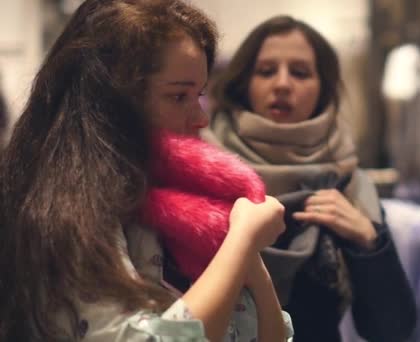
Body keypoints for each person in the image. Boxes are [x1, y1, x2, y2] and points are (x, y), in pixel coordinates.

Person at [0, 1, 292, 341]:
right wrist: (241, 241)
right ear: (111, 100)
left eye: (198, 95)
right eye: (178, 96)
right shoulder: (72, 211)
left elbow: (270, 335)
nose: (201, 118)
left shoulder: (187, 199)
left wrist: (247, 253)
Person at [205, 15, 417, 342]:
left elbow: (392, 330)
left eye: (300, 73)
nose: (282, 84)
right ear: (244, 82)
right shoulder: (203, 170)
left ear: (323, 89)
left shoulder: (348, 184)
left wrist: (368, 242)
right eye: (266, 71)